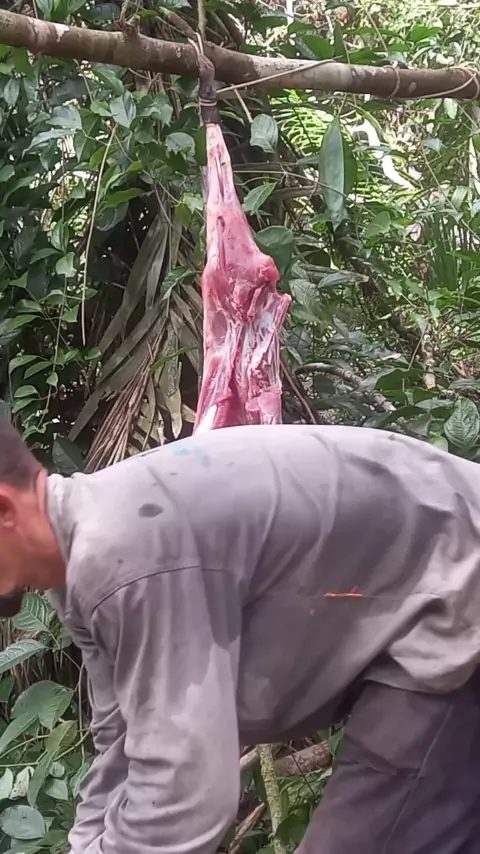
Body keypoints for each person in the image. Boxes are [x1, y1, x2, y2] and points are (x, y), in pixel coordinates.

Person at [1, 418, 480, 854]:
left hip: (455, 591)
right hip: (432, 602)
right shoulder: (81, 560)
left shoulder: (118, 557)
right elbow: (122, 740)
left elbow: (184, 796)